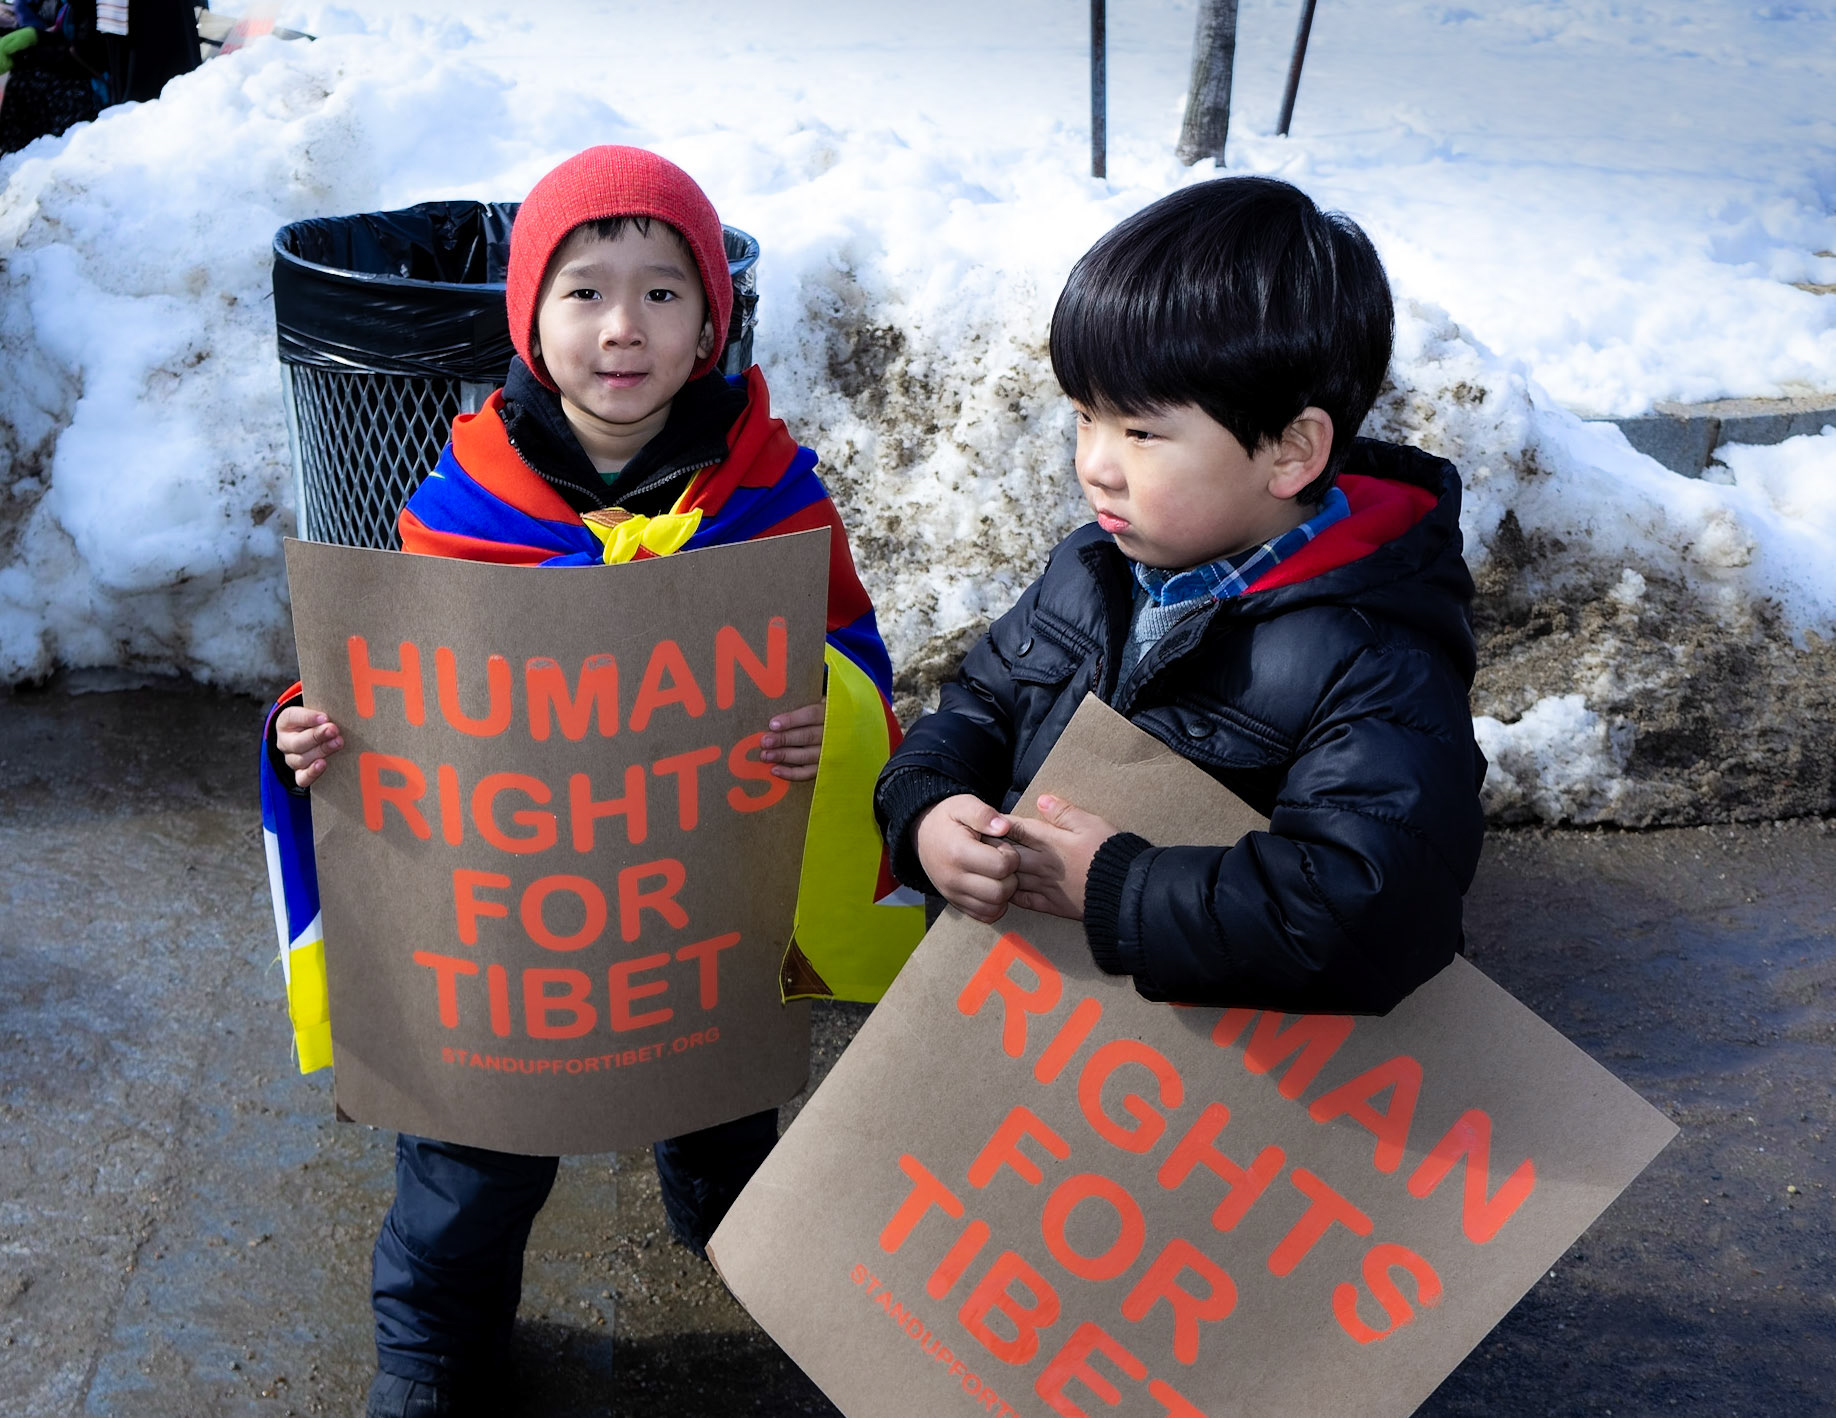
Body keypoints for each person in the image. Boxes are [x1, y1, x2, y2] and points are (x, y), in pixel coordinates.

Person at [258, 146, 917, 1418]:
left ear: (711, 320)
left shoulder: (778, 496)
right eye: (585, 292)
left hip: (700, 897)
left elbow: (852, 653)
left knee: (722, 1095)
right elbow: (386, 684)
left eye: (665, 292)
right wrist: (309, 731)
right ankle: (431, 1347)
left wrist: (822, 717)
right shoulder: (462, 503)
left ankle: (740, 1243)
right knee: (468, 1151)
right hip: (516, 927)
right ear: (528, 318)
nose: (625, 328)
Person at [875, 175, 1487, 1015]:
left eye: (1141, 432)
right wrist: (928, 810)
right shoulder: (1091, 569)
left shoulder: (1373, 656)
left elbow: (1373, 907)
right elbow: (978, 707)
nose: (1095, 460)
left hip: (1218, 1104)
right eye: (1085, 416)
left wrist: (1122, 890)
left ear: (1291, 451)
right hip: (1032, 1047)